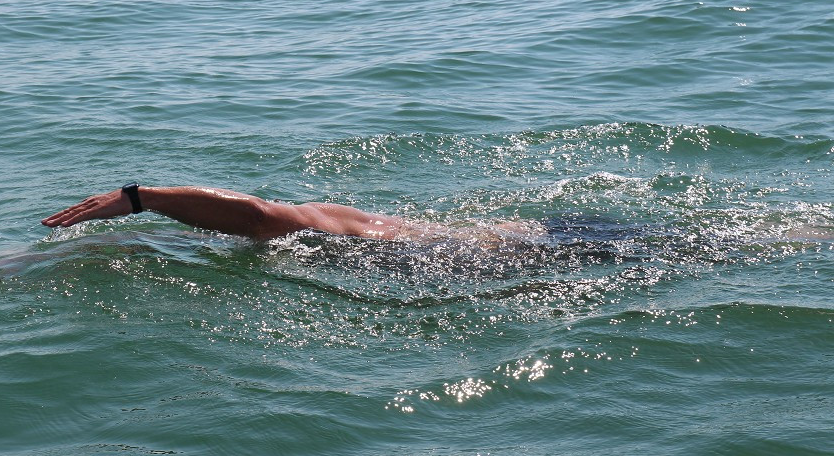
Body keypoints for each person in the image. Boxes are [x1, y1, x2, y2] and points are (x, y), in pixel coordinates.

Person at [42, 183, 543, 247]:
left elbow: (258, 218)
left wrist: (141, 198)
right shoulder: (330, 214)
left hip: (507, 255)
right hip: (530, 236)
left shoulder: (312, 223)